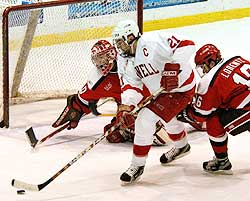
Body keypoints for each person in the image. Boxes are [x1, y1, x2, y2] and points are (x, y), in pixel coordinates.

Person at [111, 19, 197, 184]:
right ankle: (182, 146)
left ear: (130, 37)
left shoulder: (153, 41)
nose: (118, 47)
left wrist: (173, 68)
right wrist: (127, 107)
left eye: (120, 42)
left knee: (144, 120)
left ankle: (137, 165)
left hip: (181, 88)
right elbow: (131, 85)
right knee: (168, 118)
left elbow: (187, 44)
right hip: (161, 92)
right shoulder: (124, 60)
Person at [52, 39, 169, 146]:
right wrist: (72, 114)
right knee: (113, 134)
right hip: (130, 107)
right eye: (96, 60)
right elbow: (80, 102)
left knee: (172, 124)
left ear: (111, 55)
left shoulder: (131, 59)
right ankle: (134, 129)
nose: (99, 63)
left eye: (101, 58)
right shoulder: (98, 79)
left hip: (155, 97)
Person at [177, 44, 250, 174]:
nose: (203, 70)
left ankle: (222, 161)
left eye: (203, 66)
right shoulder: (236, 58)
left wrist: (185, 113)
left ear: (210, 62)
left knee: (213, 120)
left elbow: (200, 115)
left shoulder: (208, 81)